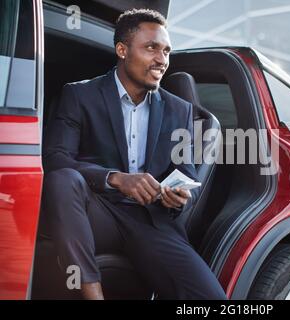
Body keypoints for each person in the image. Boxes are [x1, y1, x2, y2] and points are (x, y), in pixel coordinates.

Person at [41, 8, 227, 300]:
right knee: (63, 180)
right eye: (151, 48)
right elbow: (56, 160)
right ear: (122, 50)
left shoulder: (181, 110)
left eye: (166, 51)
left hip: (151, 221)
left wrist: (178, 197)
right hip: (96, 213)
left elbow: (186, 173)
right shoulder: (79, 95)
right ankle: (92, 294)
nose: (161, 60)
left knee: (212, 299)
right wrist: (116, 179)